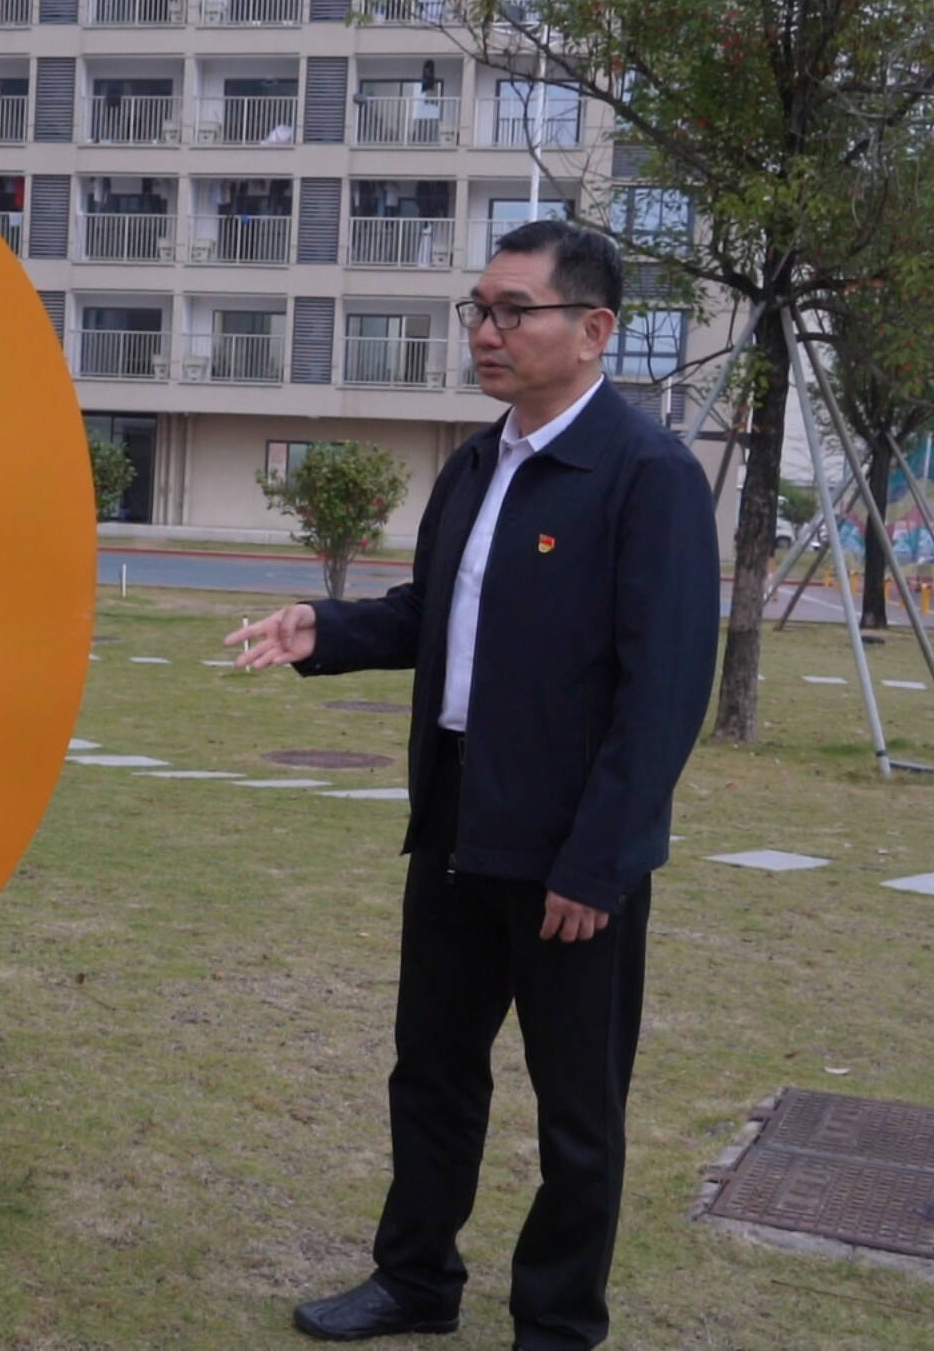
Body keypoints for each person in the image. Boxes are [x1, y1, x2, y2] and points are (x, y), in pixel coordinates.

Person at [227, 222, 719, 1348]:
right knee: (432, 1072)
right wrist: (325, 629)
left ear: (593, 330)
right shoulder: (474, 463)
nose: (486, 333)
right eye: (479, 310)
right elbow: (434, 613)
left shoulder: (647, 478)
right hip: (455, 817)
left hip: (568, 848)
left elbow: (663, 693)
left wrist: (598, 862)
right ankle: (415, 1280)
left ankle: (557, 1322)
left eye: (513, 312)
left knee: (577, 1108)